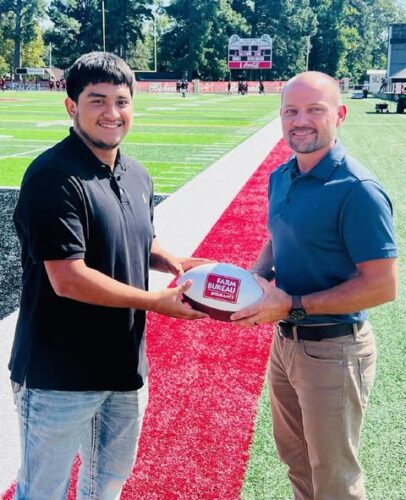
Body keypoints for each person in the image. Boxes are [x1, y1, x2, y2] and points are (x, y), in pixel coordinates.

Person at [9, 51, 210, 500]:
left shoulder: (135, 172)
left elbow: (130, 237)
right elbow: (68, 277)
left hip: (122, 367)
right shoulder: (53, 177)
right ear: (71, 106)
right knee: (42, 492)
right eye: (96, 100)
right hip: (58, 374)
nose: (111, 113)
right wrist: (155, 302)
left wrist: (171, 260)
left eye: (121, 101)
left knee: (105, 488)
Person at [231, 71, 398, 499]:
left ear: (339, 115)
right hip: (286, 343)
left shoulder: (358, 190)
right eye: (291, 111)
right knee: (297, 461)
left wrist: (292, 304)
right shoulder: (282, 175)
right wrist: (257, 275)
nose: (300, 120)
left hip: (334, 349)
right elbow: (279, 235)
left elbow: (382, 286)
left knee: (335, 478)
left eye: (314, 110)